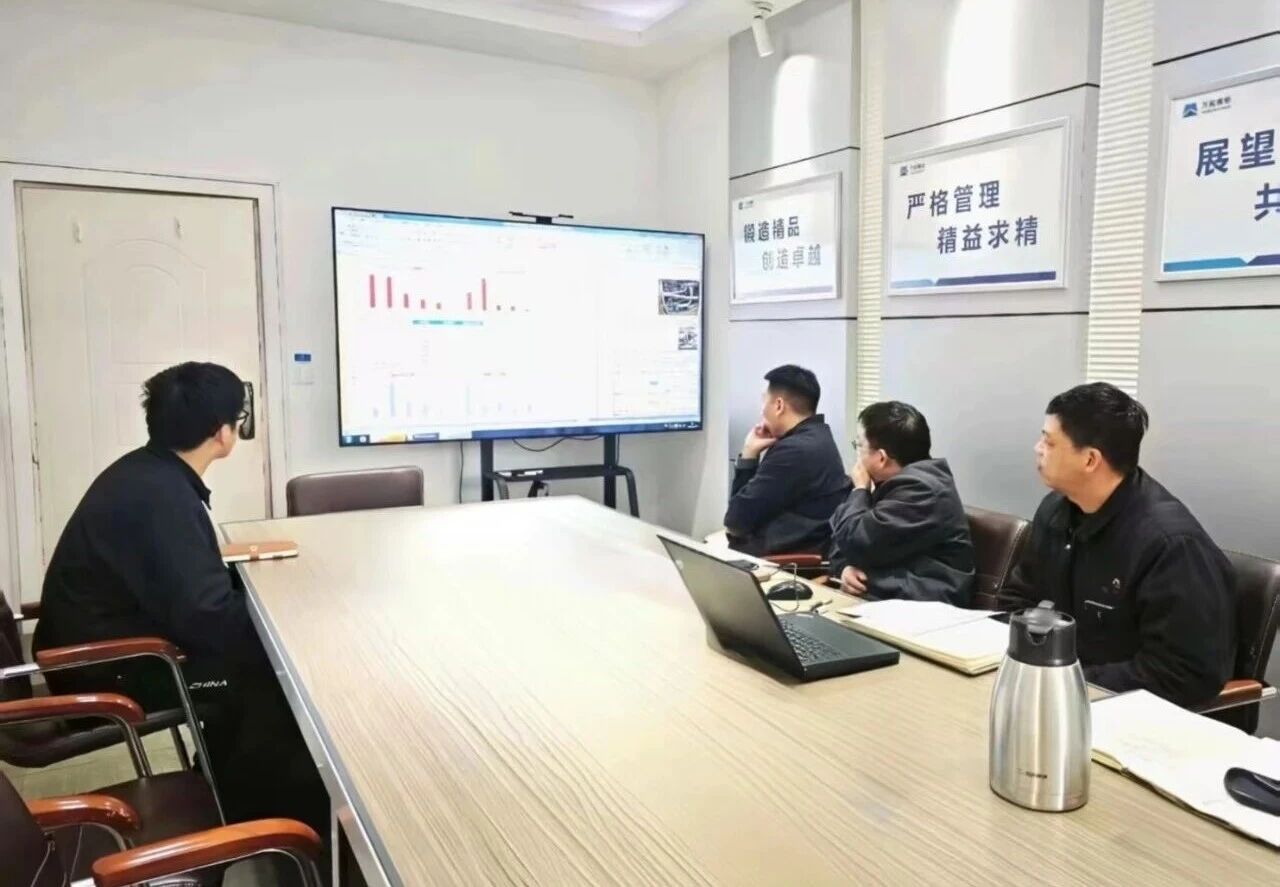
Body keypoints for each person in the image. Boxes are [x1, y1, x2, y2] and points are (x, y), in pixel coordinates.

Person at [33, 362, 328, 838]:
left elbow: (191, 593)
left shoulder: (147, 475)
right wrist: (293, 620)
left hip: (107, 649)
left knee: (259, 663)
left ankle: (237, 788)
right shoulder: (161, 498)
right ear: (223, 432)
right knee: (276, 677)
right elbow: (207, 618)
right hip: (110, 669)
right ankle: (268, 817)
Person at [999, 382, 1234, 708]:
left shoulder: (1171, 546)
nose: (1037, 449)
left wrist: (1069, 685)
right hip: (1057, 692)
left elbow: (1185, 672)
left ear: (1090, 460)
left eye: (1049, 442)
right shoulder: (1055, 511)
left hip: (1125, 710)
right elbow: (1019, 598)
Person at [827, 401, 974, 605]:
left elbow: (854, 540)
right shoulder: (888, 483)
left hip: (923, 606)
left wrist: (859, 489)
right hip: (885, 597)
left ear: (881, 458)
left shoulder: (921, 490)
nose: (857, 455)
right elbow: (840, 535)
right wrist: (844, 568)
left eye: (859, 446)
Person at [724, 365, 850, 557]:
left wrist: (748, 455)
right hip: (797, 547)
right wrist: (751, 452)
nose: (762, 411)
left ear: (779, 405)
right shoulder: (819, 435)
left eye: (764, 401)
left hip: (782, 562)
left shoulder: (793, 451)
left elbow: (736, 522)